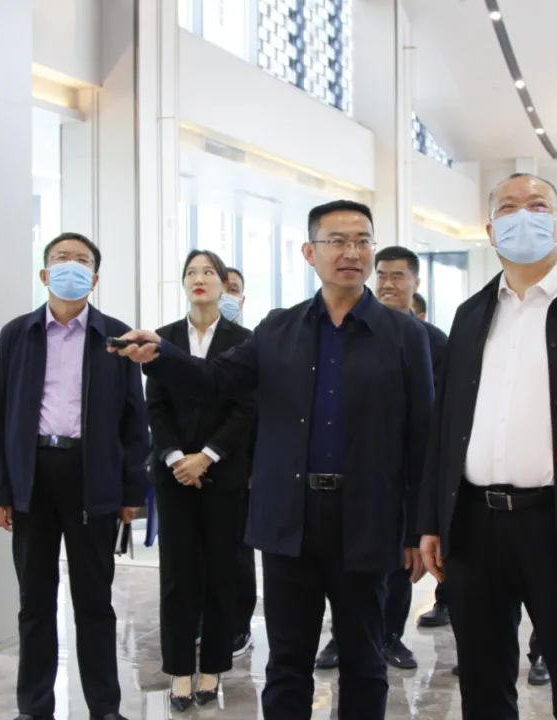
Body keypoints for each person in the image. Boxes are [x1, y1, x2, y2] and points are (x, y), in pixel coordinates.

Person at [112, 200, 433, 720]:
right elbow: (217, 379)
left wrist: (419, 527)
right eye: (337, 241)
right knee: (287, 662)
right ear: (309, 252)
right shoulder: (279, 329)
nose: (351, 252)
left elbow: (422, 434)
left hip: (367, 519)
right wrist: (163, 354)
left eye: (361, 241)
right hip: (290, 519)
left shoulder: (404, 335)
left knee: (364, 661)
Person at [419, 173, 557, 719]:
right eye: (508, 207)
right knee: (482, 678)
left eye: (537, 206)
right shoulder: (471, 314)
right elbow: (445, 428)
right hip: (474, 523)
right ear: (490, 229)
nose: (523, 216)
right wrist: (432, 520)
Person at [0, 232, 149, 720]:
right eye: (61, 259)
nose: (70, 267)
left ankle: (105, 708)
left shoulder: (116, 338)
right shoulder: (16, 334)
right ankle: (34, 708)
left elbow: (134, 419)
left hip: (92, 477)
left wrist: (132, 491)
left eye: (81, 261)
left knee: (95, 602)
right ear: (44, 273)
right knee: (34, 602)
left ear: (94, 279)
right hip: (33, 475)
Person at [314, 245, 448, 672]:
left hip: (407, 469)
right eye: (383, 275)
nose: (389, 284)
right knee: (348, 567)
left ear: (416, 283)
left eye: (398, 276)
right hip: (358, 468)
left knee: (400, 562)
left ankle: (390, 636)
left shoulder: (432, 341)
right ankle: (341, 637)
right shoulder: (354, 332)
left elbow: (435, 413)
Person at [145, 250, 256, 711]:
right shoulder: (165, 338)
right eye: (191, 272)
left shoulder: (243, 341)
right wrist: (177, 458)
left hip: (223, 472)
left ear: (223, 283)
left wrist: (207, 457)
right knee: (178, 575)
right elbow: (156, 406)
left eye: (208, 271)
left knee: (221, 572)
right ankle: (178, 672)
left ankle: (212, 668)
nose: (199, 278)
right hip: (174, 474)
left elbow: (246, 409)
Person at [219, 265, 257, 656]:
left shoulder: (253, 342)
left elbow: (256, 410)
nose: (227, 295)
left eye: (234, 289)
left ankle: (238, 625)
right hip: (190, 467)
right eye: (222, 286)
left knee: (237, 553)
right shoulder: (180, 340)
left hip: (239, 465)